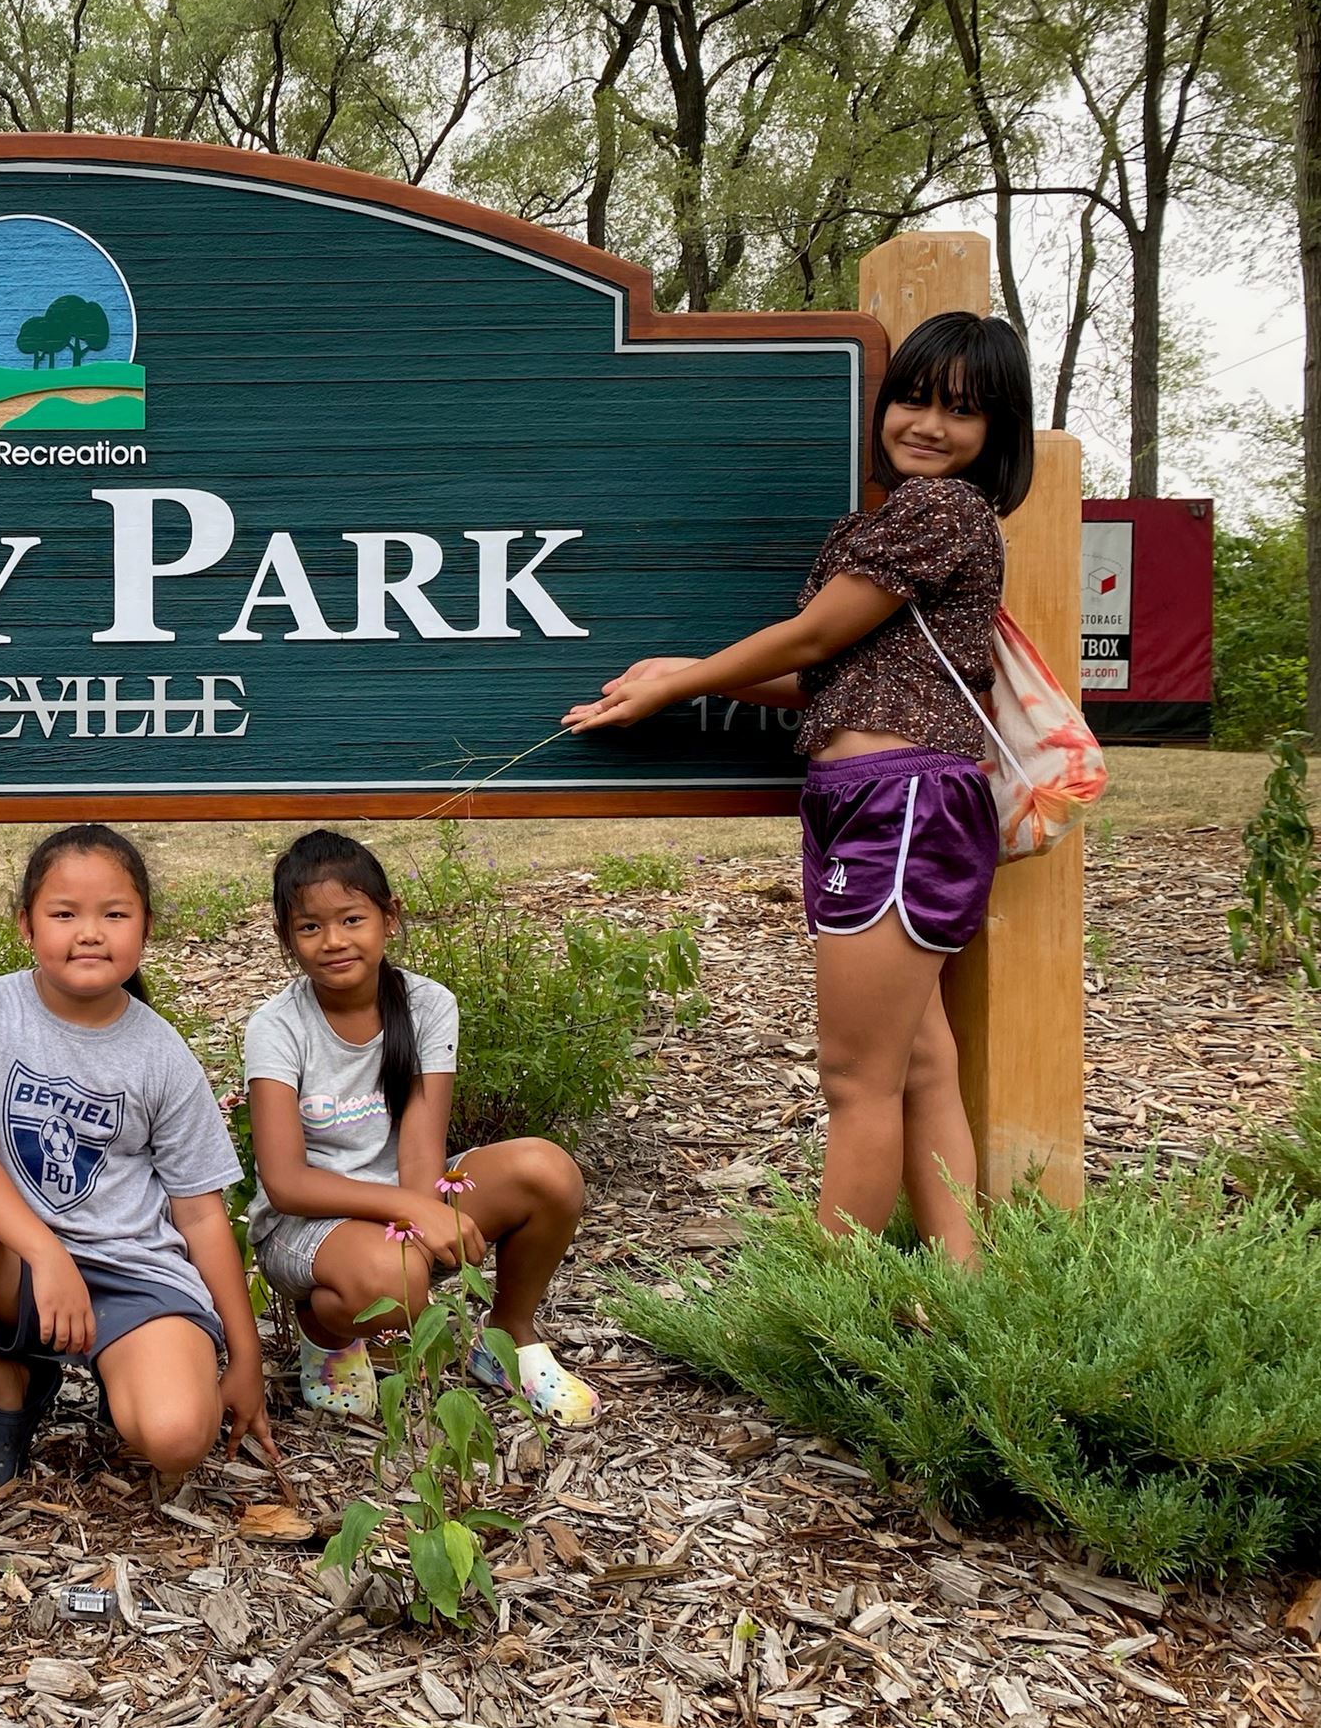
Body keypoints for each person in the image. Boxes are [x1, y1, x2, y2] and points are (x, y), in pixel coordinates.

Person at [564, 312, 1034, 1268]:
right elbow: (831, 676)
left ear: (999, 433)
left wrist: (681, 681)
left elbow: (817, 636)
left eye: (963, 411)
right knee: (919, 1063)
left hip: (898, 800)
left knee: (855, 1080)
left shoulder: (940, 510)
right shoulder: (895, 520)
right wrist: (692, 669)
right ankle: (962, 1289)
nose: (930, 425)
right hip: (876, 796)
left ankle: (824, 1308)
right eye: (914, 397)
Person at [0, 824, 270, 1491]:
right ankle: (11, 1387)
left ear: (145, 928)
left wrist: (247, 1355)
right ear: (26, 927)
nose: (90, 933)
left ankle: (131, 1376)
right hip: (20, 1262)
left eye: (114, 914)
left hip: (132, 1274)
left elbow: (202, 1216)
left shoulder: (160, 1053)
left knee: (177, 1438)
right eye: (64, 914)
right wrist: (45, 1252)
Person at [245, 830, 597, 1427]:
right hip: (306, 1225)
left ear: (390, 916)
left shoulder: (427, 1004)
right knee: (395, 1280)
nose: (333, 941)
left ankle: (507, 1338)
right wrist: (413, 1212)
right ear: (287, 939)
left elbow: (420, 1150)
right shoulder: (279, 1027)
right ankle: (323, 1332)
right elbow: (285, 1182)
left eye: (352, 918)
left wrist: (421, 1205)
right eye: (309, 928)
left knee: (546, 1171)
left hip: (404, 1201)